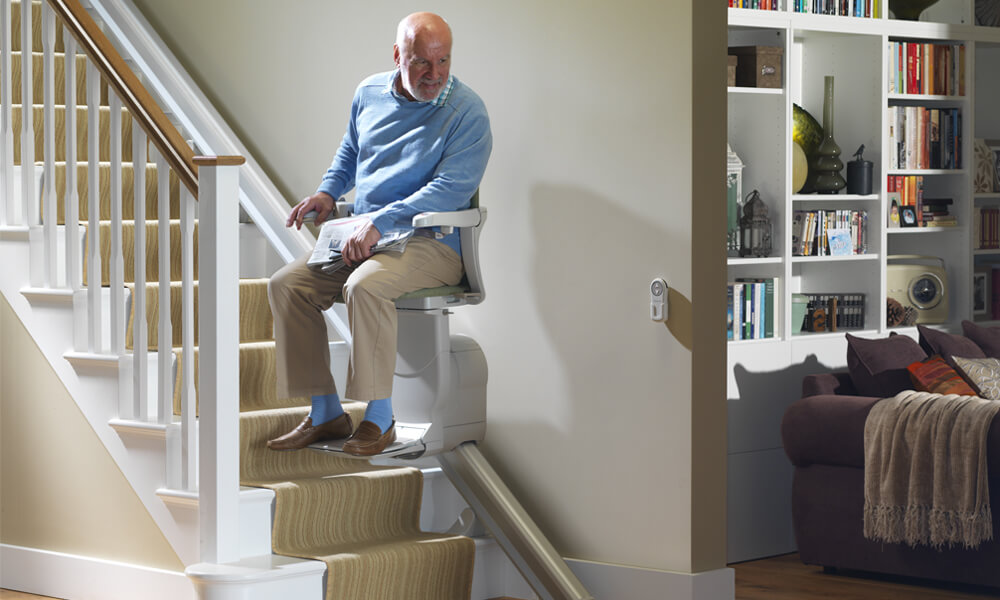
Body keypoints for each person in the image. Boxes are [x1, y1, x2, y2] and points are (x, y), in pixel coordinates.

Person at [266, 12, 492, 456]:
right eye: (422, 63)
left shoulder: (468, 112)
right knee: (287, 285)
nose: (435, 75)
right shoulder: (369, 93)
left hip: (434, 242)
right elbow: (351, 150)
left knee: (364, 286)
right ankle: (327, 411)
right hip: (368, 239)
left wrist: (380, 222)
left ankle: (380, 418)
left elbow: (449, 190)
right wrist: (328, 193)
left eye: (443, 61)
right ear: (397, 56)